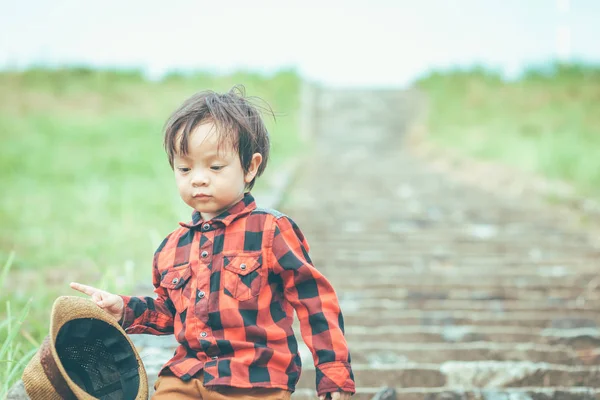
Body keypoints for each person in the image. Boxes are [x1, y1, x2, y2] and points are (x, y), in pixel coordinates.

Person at [71, 86, 355, 400]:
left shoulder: (271, 229)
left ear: (250, 167)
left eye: (215, 167)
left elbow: (314, 302)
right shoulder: (172, 247)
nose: (198, 178)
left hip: (252, 379)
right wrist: (124, 308)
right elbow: (169, 312)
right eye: (185, 168)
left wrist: (334, 377)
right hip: (184, 377)